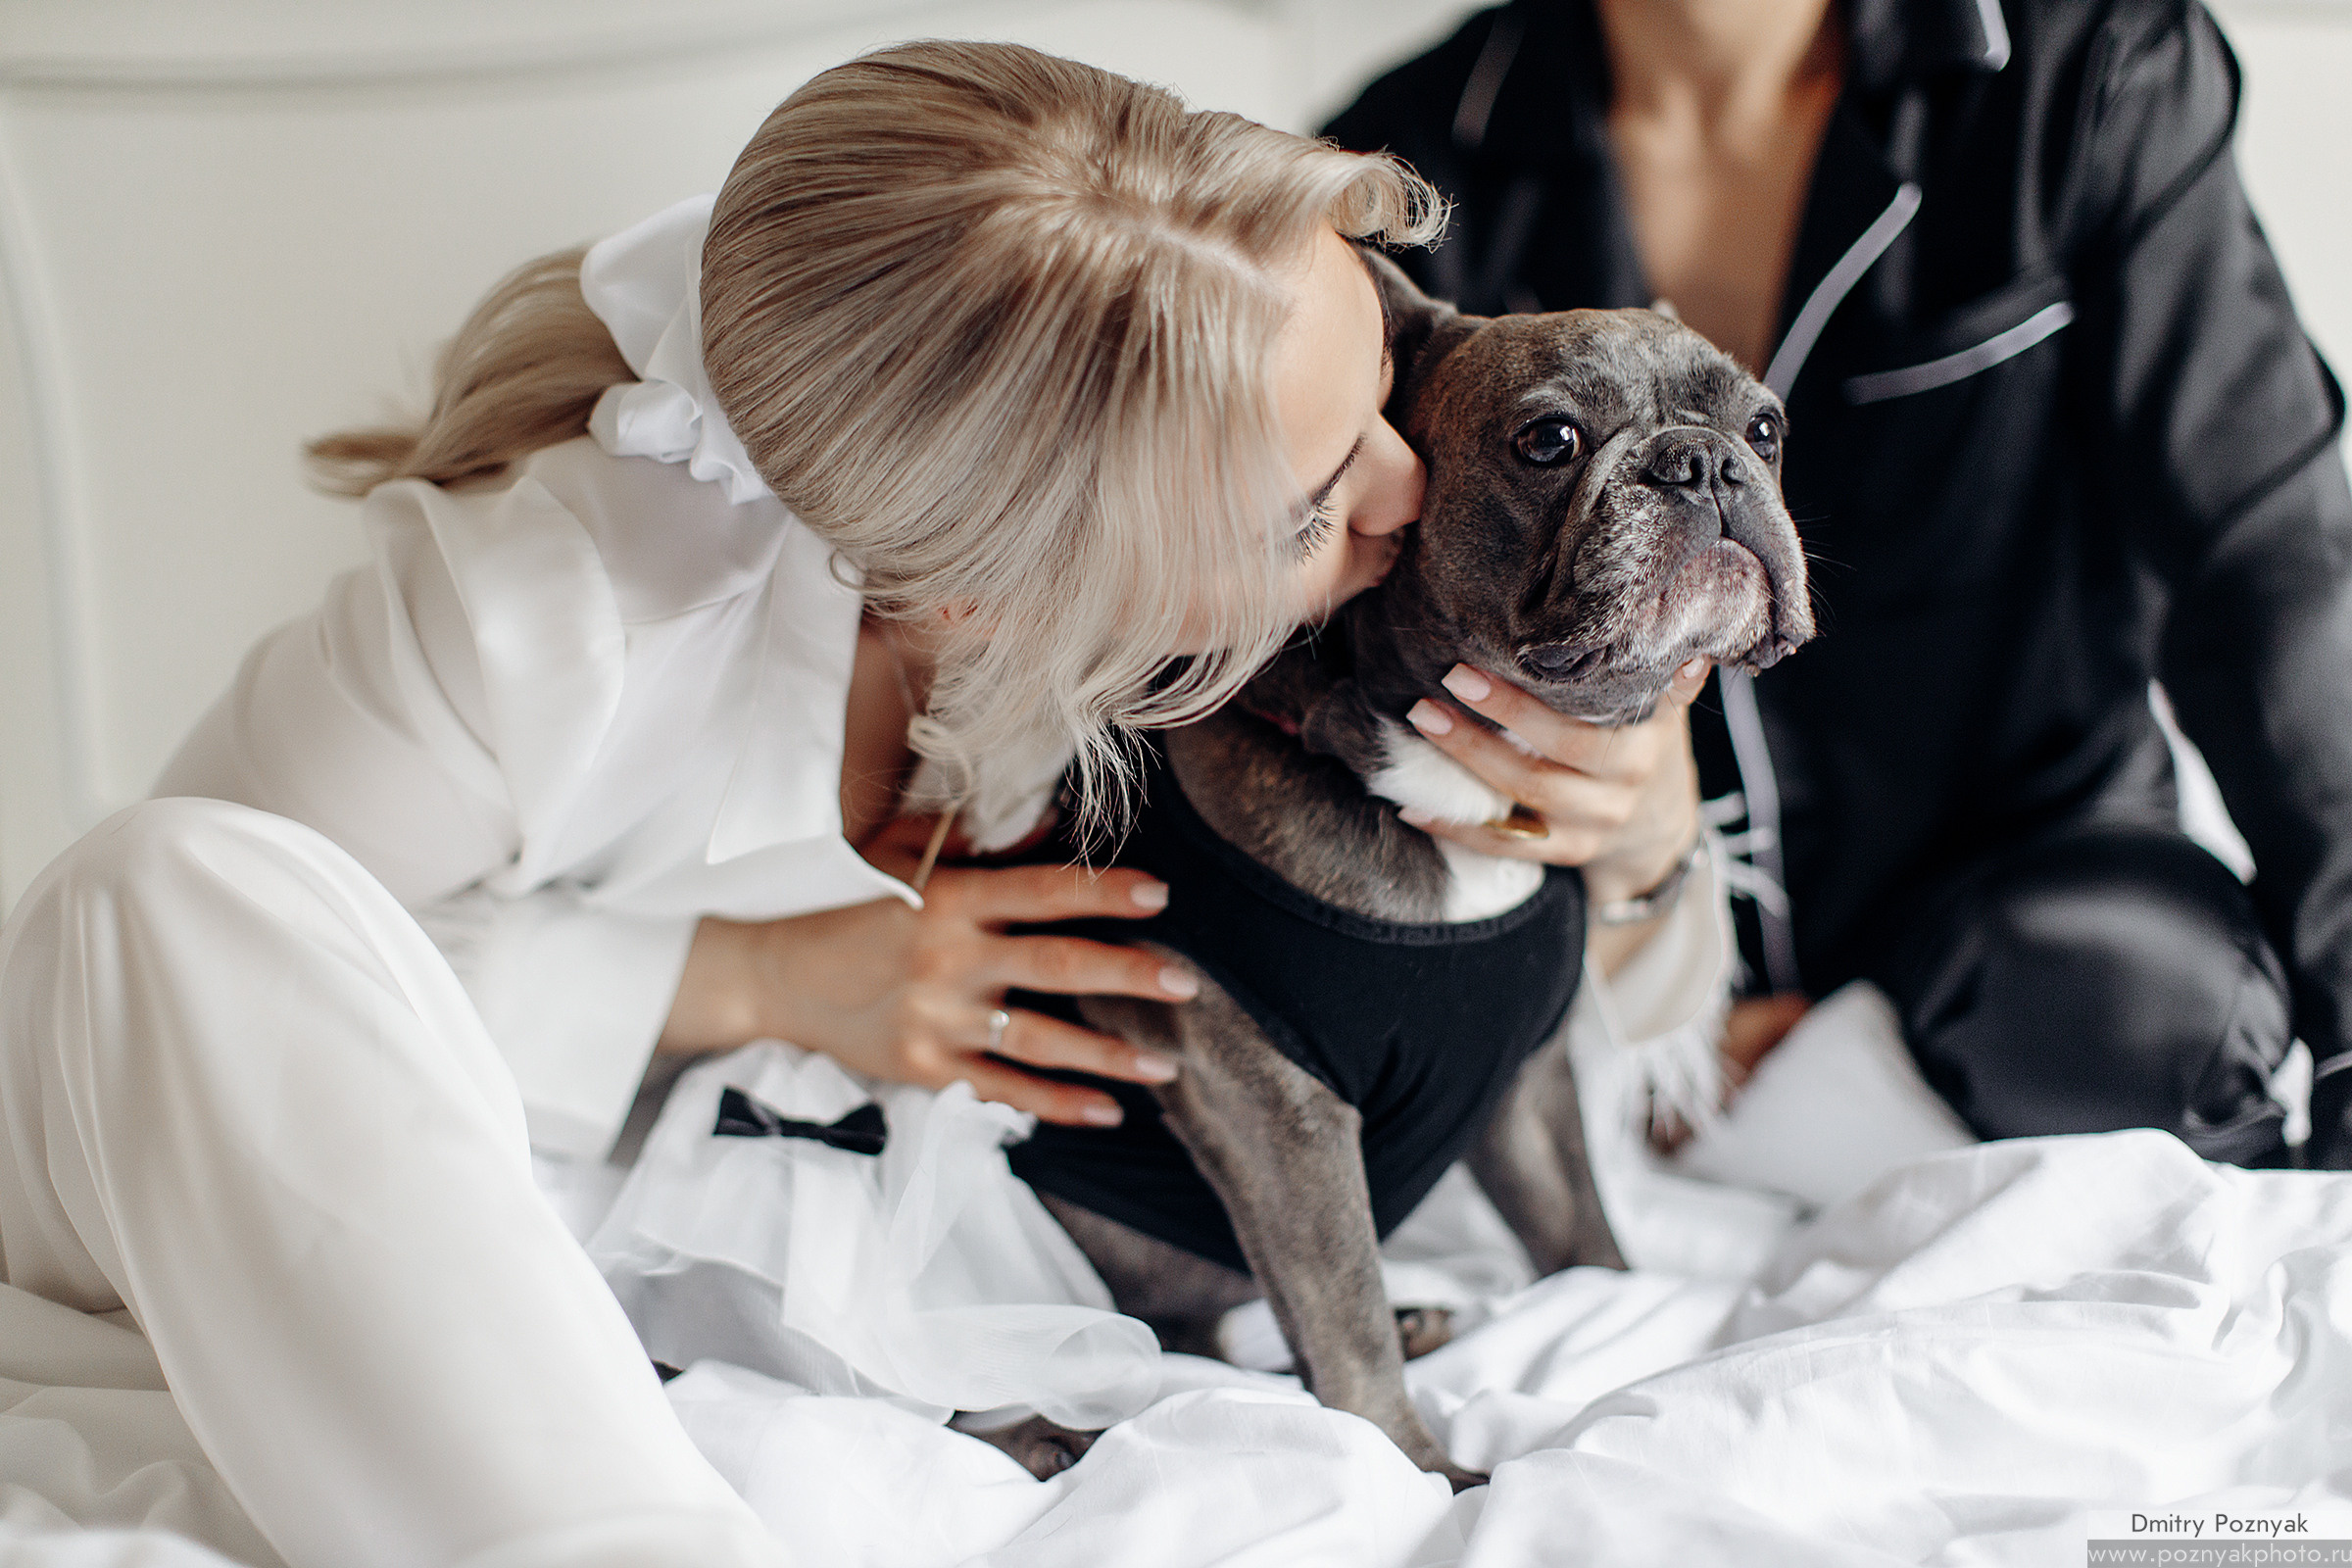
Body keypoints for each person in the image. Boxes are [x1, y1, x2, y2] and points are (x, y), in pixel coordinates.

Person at [0, 40, 1716, 1568]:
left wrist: (1637, 843)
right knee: (159, 881)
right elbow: (184, 1014)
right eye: (1311, 504)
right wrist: (750, 980)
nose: (1406, 496)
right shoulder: (539, 625)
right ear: (1006, 590)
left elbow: (1596, 1021)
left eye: (1385, 413)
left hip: (959, 1237)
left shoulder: (1318, 547)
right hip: (358, 1213)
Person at [1326, 0, 2352, 1167]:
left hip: (2028, 920)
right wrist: (1088, 854)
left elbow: (2276, 563)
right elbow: (1243, 562)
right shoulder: (1388, 174)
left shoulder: (2089, 63)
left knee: (2161, 1002)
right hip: (1580, 949)